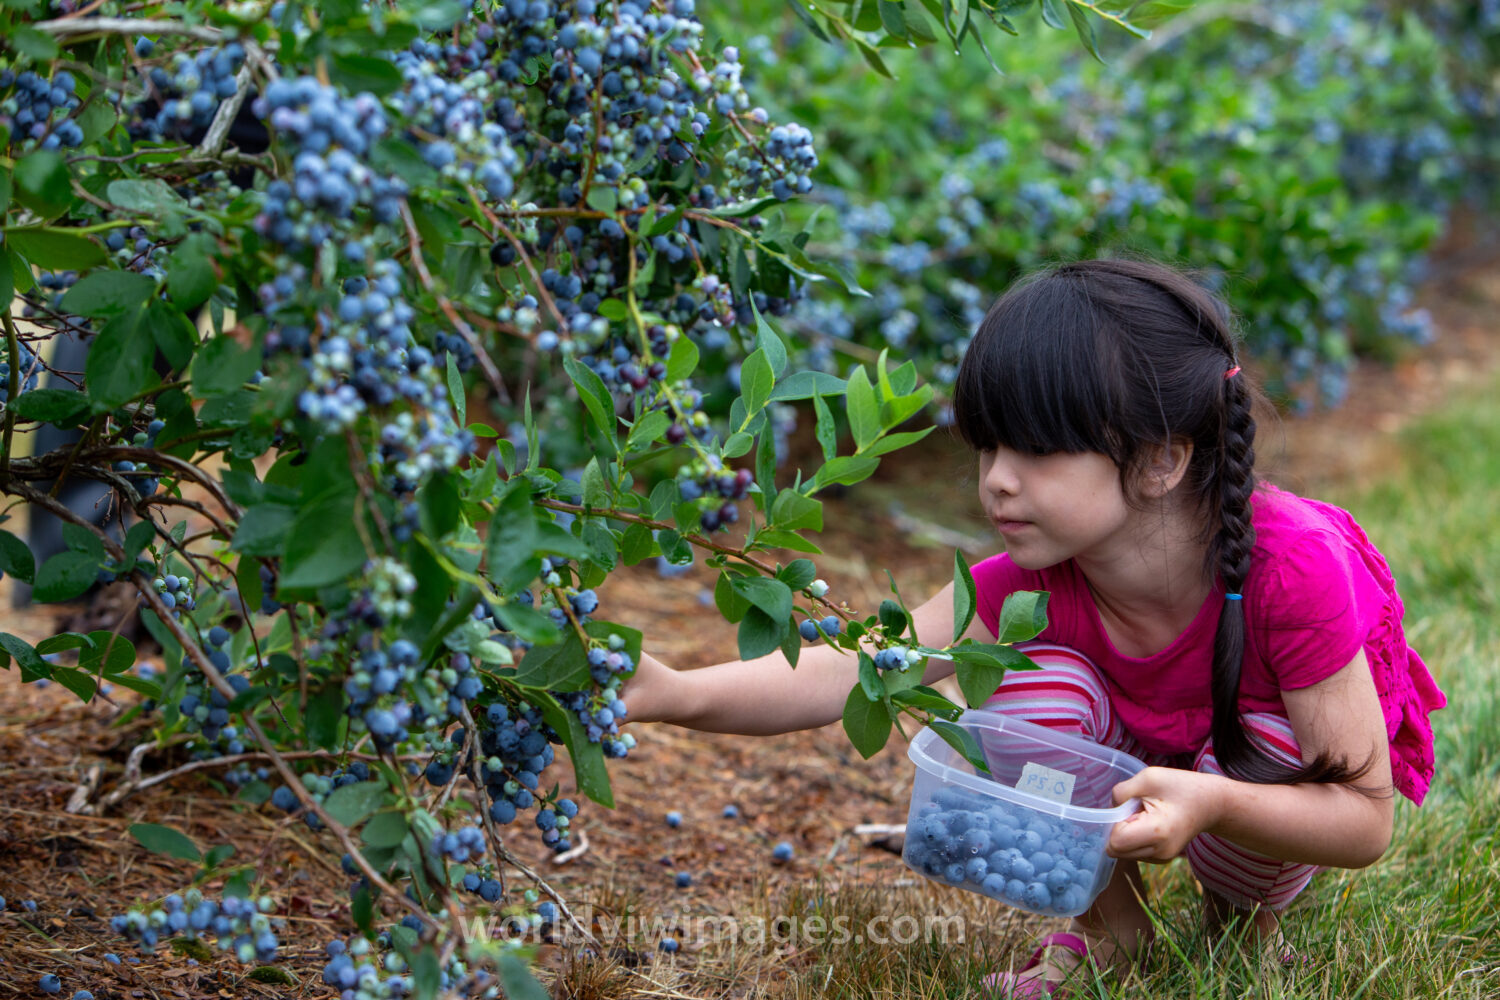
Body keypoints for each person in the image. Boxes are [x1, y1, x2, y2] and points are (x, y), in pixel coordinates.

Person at [620, 257, 1446, 997]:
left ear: (1162, 459)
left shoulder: (1293, 569)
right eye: (988, 449)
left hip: (1245, 766)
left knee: (1269, 751)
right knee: (1013, 691)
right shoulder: (1030, 583)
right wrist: (673, 693)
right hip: (1132, 763)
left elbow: (1363, 818)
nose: (996, 483)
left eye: (1035, 452)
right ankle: (1113, 933)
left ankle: (1242, 925)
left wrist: (1213, 802)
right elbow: (856, 665)